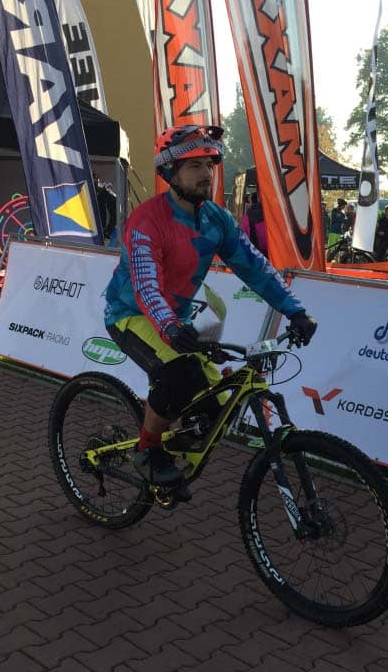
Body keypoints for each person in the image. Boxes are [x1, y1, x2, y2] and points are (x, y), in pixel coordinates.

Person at [103, 124, 317, 500]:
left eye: (209, 164)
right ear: (169, 172)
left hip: (176, 320)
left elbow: (254, 266)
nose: (206, 173)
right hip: (131, 314)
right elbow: (146, 287)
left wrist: (295, 310)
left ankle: (171, 451)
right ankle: (148, 451)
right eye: (194, 165)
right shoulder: (148, 221)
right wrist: (171, 326)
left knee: (216, 409)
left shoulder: (216, 219)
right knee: (178, 375)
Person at [240, 192, 269, 258]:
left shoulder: (247, 216)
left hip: (255, 249)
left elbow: (244, 234)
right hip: (269, 248)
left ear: (250, 201)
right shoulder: (266, 213)